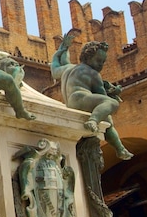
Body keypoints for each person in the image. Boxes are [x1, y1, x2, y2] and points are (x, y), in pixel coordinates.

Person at [50, 30, 133, 160]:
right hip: (82, 99)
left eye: (103, 62)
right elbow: (102, 95)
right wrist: (113, 92)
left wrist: (62, 49)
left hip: (70, 102)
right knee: (111, 105)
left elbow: (55, 68)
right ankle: (95, 122)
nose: (101, 65)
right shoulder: (93, 74)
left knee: (106, 115)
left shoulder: (68, 68)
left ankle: (120, 149)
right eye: (99, 60)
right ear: (88, 58)